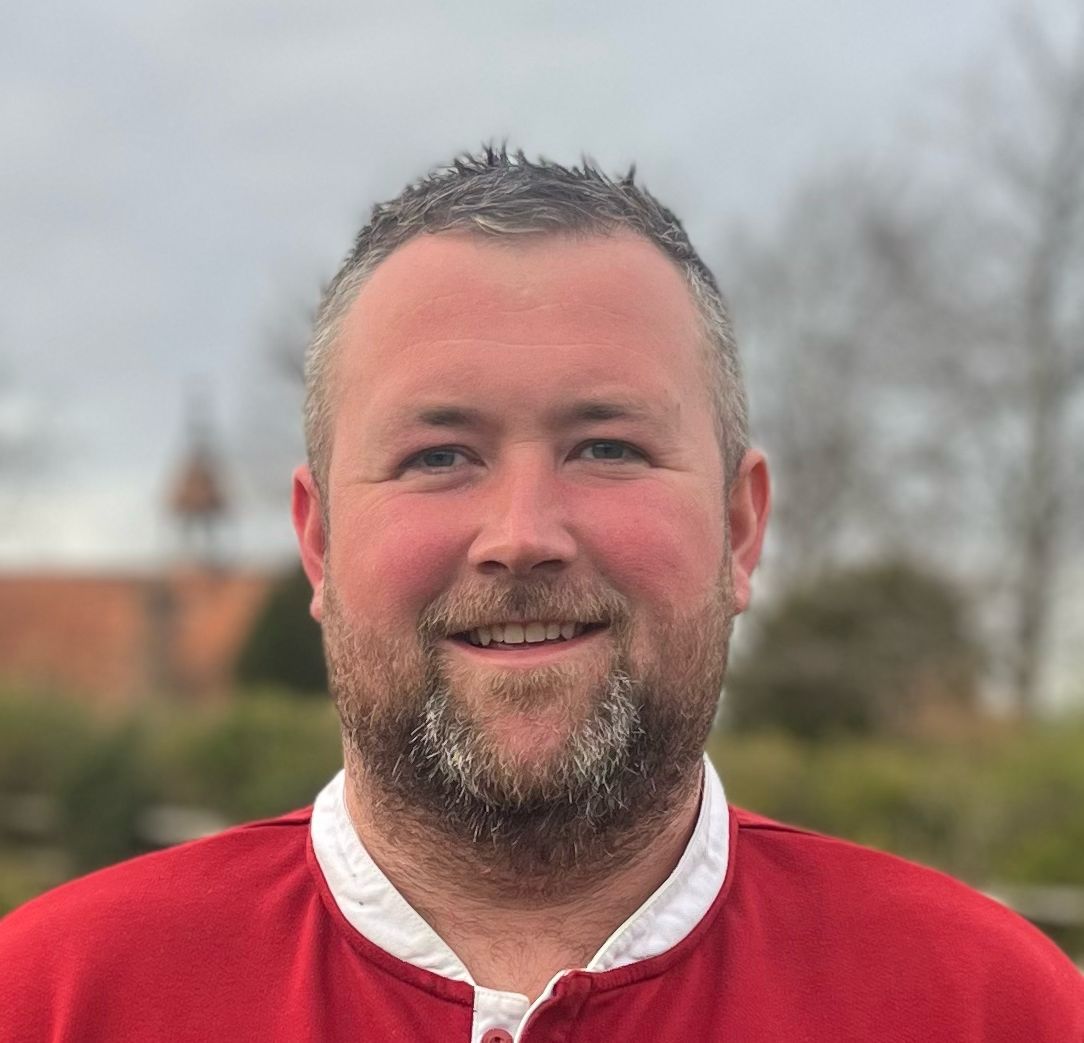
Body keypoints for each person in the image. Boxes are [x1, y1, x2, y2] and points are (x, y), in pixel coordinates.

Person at [0, 148, 1080, 1042]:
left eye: (606, 445)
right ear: (320, 543)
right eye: (438, 455)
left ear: (741, 528)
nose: (522, 535)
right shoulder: (54, 1001)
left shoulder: (989, 1008)